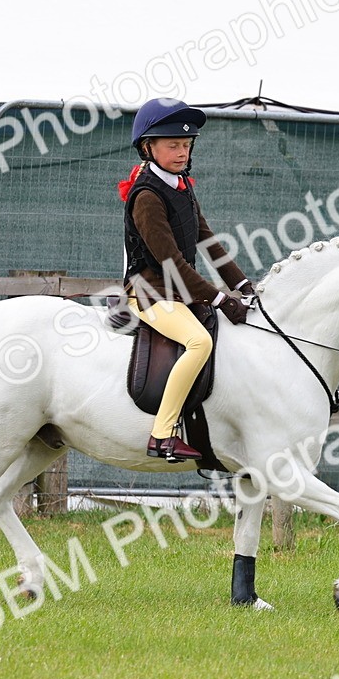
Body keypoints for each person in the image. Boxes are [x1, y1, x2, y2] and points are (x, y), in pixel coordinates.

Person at [118, 98, 253, 462]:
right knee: (198, 343)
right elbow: (171, 262)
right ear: (149, 147)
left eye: (187, 145)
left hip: (178, 291)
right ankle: (161, 435)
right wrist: (220, 299)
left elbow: (207, 240)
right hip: (149, 293)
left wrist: (241, 284)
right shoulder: (146, 195)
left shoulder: (181, 185)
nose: (181, 152)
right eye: (173, 145)